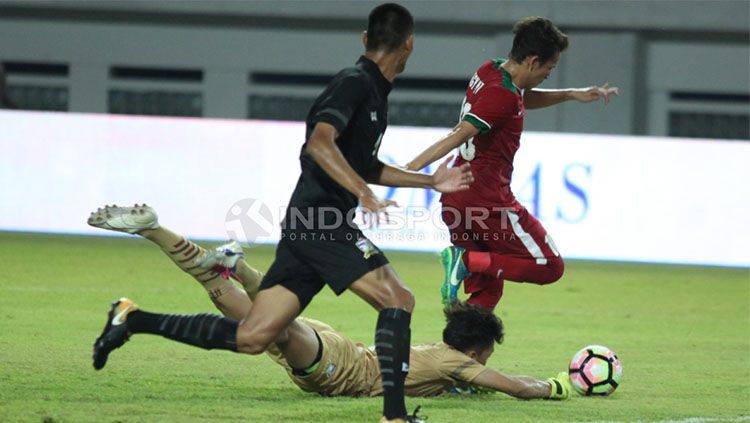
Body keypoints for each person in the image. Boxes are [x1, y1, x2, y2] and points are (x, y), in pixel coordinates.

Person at [89, 5, 474, 423]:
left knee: (255, 336)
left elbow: (362, 162)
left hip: (308, 225)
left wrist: (429, 183)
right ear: (410, 45)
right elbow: (319, 145)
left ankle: (133, 318)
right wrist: (362, 193)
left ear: (366, 38)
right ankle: (394, 417)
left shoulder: (373, 91)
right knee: (397, 299)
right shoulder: (355, 83)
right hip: (321, 221)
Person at [87, 204, 575, 402]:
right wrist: (558, 386)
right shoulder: (455, 363)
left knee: (234, 306)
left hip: (339, 345)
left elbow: (476, 384)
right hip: (336, 369)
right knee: (273, 330)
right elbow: (516, 388)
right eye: (486, 358)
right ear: (476, 352)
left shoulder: (436, 354)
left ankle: (156, 231)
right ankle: (238, 270)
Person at [404, 17, 619, 310]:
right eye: (549, 67)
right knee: (549, 265)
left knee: (487, 294)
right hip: (487, 200)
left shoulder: (490, 70)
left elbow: (519, 98)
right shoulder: (501, 95)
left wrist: (570, 94)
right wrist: (408, 169)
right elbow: (460, 133)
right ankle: (463, 260)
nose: (548, 73)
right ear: (532, 61)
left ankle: (458, 352)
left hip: (457, 199)